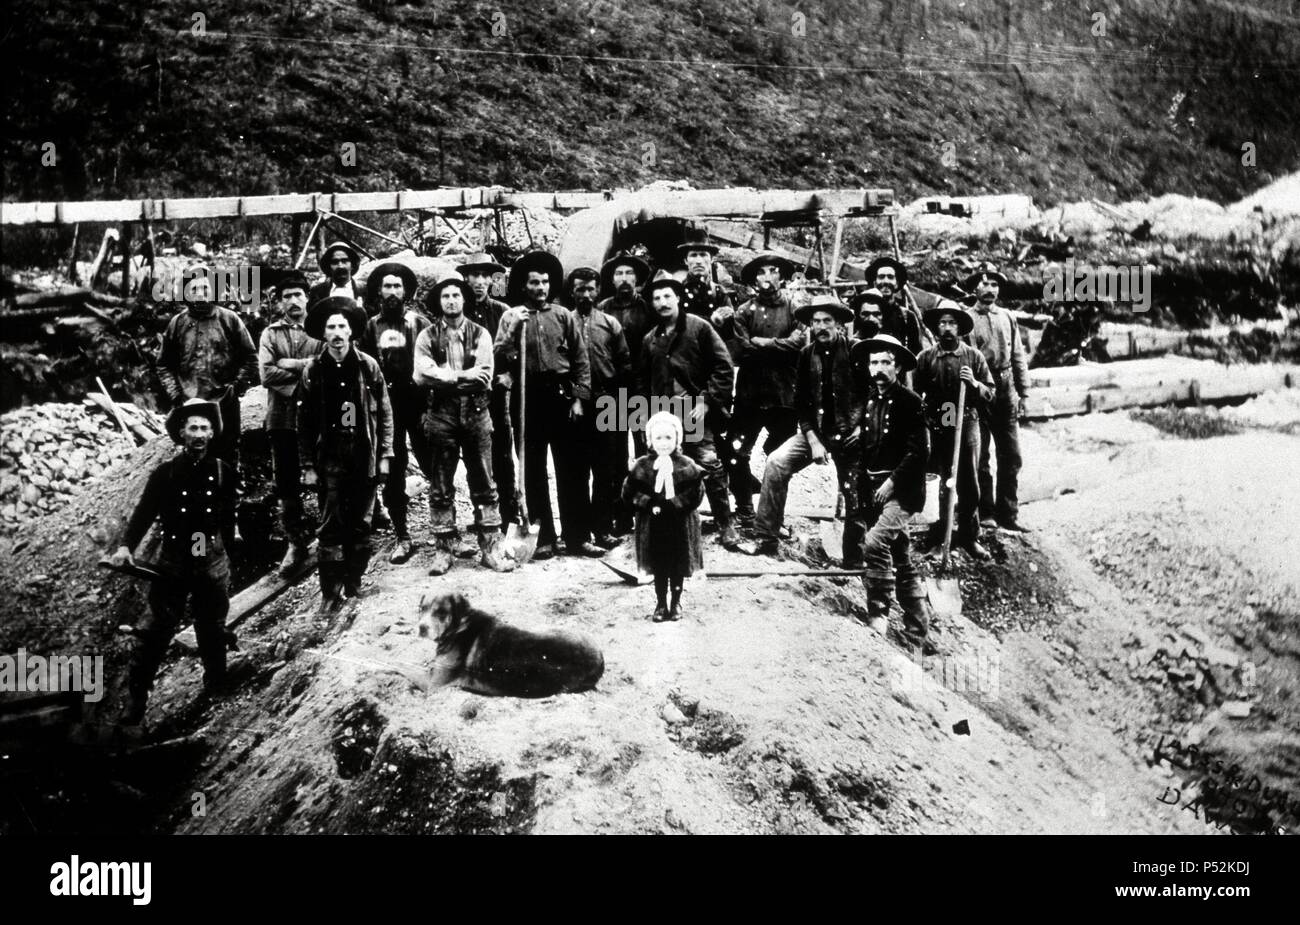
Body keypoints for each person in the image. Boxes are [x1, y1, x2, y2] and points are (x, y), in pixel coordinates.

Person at [106, 400, 237, 725]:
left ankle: (216, 684)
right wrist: (125, 546)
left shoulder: (223, 471)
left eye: (205, 428)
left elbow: (229, 516)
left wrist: (229, 554)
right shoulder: (164, 474)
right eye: (193, 428)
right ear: (181, 433)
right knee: (156, 631)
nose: (200, 435)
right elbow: (143, 514)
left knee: (213, 626)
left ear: (212, 434)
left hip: (210, 560)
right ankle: (137, 701)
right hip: (174, 562)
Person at [494, 251, 593, 559]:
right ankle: (545, 537)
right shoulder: (511, 316)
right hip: (527, 398)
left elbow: (581, 361)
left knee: (573, 469)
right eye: (534, 282)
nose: (540, 287)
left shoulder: (563, 315)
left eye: (545, 282)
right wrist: (512, 330)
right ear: (524, 286)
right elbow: (498, 357)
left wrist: (579, 398)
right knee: (533, 470)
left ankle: (578, 536)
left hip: (561, 396)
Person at [299, 297, 393, 616]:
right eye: (331, 327)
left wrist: (385, 456)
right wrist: (309, 466)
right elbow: (305, 423)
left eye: (342, 326)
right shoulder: (314, 369)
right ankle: (330, 590)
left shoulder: (367, 365)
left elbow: (386, 415)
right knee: (330, 526)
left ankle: (354, 582)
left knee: (361, 525)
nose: (337, 332)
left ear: (352, 331)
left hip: (362, 454)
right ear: (323, 334)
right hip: (331, 459)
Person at [753, 294, 863, 563]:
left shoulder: (856, 350)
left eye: (827, 321)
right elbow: (801, 402)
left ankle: (853, 561)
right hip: (816, 433)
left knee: (855, 492)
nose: (821, 327)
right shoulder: (805, 354)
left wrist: (861, 429)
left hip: (851, 435)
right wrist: (812, 437)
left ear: (838, 323)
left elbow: (871, 395)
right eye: (816, 321)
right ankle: (766, 538)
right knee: (777, 463)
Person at [637, 271, 741, 550]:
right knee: (661, 466)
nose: (662, 302)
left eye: (667, 296)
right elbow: (643, 380)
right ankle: (665, 523)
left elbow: (723, 366)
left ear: (679, 298)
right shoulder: (650, 339)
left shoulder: (699, 327)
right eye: (656, 298)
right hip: (663, 415)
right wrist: (646, 414)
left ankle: (725, 523)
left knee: (708, 462)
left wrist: (706, 400)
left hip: (693, 410)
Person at [412, 276, 505, 575]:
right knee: (440, 484)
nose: (451, 301)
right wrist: (461, 375)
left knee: (485, 482)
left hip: (477, 412)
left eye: (456, 295)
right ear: (439, 302)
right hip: (441, 414)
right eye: (445, 296)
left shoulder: (481, 335)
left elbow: (485, 375)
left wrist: (444, 376)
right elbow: (420, 376)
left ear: (464, 300)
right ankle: (444, 548)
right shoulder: (426, 336)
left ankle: (490, 547)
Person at [848, 333, 934, 654]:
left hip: (903, 491)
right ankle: (917, 630)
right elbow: (867, 451)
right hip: (875, 490)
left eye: (885, 362)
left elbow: (919, 452)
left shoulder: (911, 402)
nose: (879, 368)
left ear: (897, 366)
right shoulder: (871, 400)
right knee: (901, 556)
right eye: (874, 362)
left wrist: (892, 483)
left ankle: (879, 611)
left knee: (874, 543)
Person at [727, 251, 806, 525]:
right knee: (736, 453)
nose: (766, 277)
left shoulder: (795, 309)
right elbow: (742, 349)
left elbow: (800, 344)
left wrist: (765, 343)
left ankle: (774, 517)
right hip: (750, 394)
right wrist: (777, 346)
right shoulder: (744, 311)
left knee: (781, 458)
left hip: (784, 396)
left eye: (772, 271)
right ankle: (745, 510)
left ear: (782, 277)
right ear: (753, 279)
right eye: (761, 272)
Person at [914, 300, 996, 560]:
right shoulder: (926, 358)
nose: (947, 328)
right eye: (943, 323)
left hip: (967, 421)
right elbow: (916, 395)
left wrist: (973, 384)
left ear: (959, 328)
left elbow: (990, 393)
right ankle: (942, 537)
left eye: (952, 323)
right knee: (945, 482)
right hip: (940, 424)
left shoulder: (973, 356)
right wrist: (926, 418)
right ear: (936, 328)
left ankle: (970, 537)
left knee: (969, 483)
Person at [155, 265, 258, 473]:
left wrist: (235, 388)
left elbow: (250, 358)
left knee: (226, 460)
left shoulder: (229, 319)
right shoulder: (178, 324)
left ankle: (228, 502)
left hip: (224, 404)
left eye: (205, 288)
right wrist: (176, 395)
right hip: (189, 404)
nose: (200, 295)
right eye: (194, 290)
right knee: (193, 463)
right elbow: (163, 364)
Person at [362, 261, 431, 563]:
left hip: (417, 401)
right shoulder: (369, 327)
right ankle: (402, 535)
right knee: (392, 467)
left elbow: (437, 360)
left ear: (406, 292)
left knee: (434, 462)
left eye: (397, 287)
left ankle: (446, 529)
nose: (392, 292)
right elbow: (363, 368)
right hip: (386, 406)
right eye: (387, 286)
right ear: (379, 291)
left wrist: (431, 403)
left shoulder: (420, 323)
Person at [256, 270, 321, 575]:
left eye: (298, 295)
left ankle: (327, 537)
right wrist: (307, 372)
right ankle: (295, 543)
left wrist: (292, 364)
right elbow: (266, 374)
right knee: (286, 483)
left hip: (317, 419)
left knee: (323, 475)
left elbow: (327, 369)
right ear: (279, 302)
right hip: (281, 418)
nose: (293, 301)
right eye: (287, 297)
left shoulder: (321, 329)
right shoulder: (270, 334)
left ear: (307, 297)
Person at [567, 266, 632, 550]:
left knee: (606, 470)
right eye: (580, 289)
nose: (586, 294)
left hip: (608, 401)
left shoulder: (610, 324)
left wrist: (622, 405)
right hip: (576, 404)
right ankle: (579, 535)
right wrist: (576, 397)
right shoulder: (563, 321)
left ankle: (603, 528)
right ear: (572, 291)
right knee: (577, 470)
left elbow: (624, 364)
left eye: (591, 289)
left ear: (598, 291)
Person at [964, 263, 1030, 533]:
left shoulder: (1007, 316)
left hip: (1005, 388)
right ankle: (986, 511)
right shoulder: (966, 319)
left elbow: (1018, 357)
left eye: (994, 284)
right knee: (980, 455)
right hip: (980, 387)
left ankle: (1009, 513)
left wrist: (1023, 392)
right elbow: (966, 358)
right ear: (974, 288)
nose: (989, 289)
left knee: (1012, 455)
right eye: (984, 283)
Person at [622, 412, 705, 622]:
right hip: (653, 525)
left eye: (669, 438)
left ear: (677, 439)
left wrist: (675, 504)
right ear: (650, 440)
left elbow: (697, 493)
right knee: (659, 565)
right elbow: (628, 493)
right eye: (658, 438)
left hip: (679, 524)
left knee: (677, 563)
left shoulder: (686, 465)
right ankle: (660, 603)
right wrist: (648, 503)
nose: (663, 443)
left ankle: (675, 602)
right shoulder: (642, 466)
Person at [457, 253, 517, 524]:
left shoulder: (503, 312)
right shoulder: (458, 313)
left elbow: (519, 350)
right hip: (469, 396)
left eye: (485, 276)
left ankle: (509, 513)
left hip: (498, 395)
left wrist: (510, 375)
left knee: (503, 452)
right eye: (474, 276)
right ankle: (482, 512)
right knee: (475, 456)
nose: (479, 282)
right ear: (466, 278)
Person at [308, 241, 363, 307]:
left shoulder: (363, 291)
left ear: (352, 265)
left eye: (344, 261)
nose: (340, 266)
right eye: (335, 262)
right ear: (328, 267)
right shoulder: (317, 292)